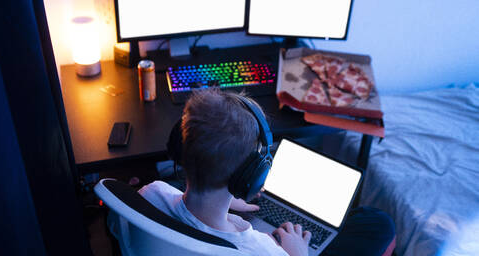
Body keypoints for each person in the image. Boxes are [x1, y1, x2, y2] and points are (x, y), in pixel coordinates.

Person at [139, 89, 395, 256]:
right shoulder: (263, 249)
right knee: (379, 224)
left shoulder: (149, 195)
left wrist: (225, 204)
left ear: (179, 146)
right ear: (249, 178)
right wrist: (296, 253)